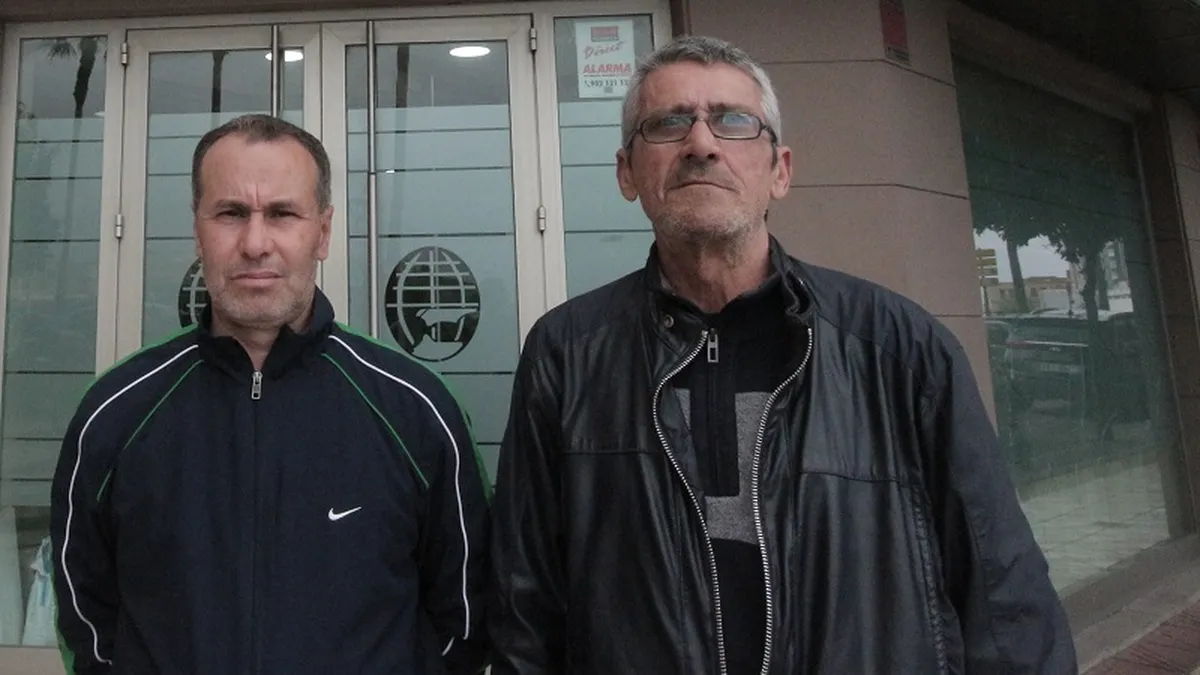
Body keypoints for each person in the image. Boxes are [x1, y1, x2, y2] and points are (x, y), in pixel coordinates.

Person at [489, 36, 1076, 674]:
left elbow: (1004, 600)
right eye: (668, 123)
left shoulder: (900, 349)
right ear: (627, 172)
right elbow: (525, 609)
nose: (701, 143)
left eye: (733, 121)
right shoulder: (566, 355)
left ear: (780, 170)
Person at [50, 114, 491, 674]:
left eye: (282, 213)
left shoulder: (416, 410)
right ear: (198, 231)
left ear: (322, 233)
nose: (256, 244)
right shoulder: (117, 412)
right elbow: (85, 616)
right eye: (231, 213)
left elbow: (465, 617)